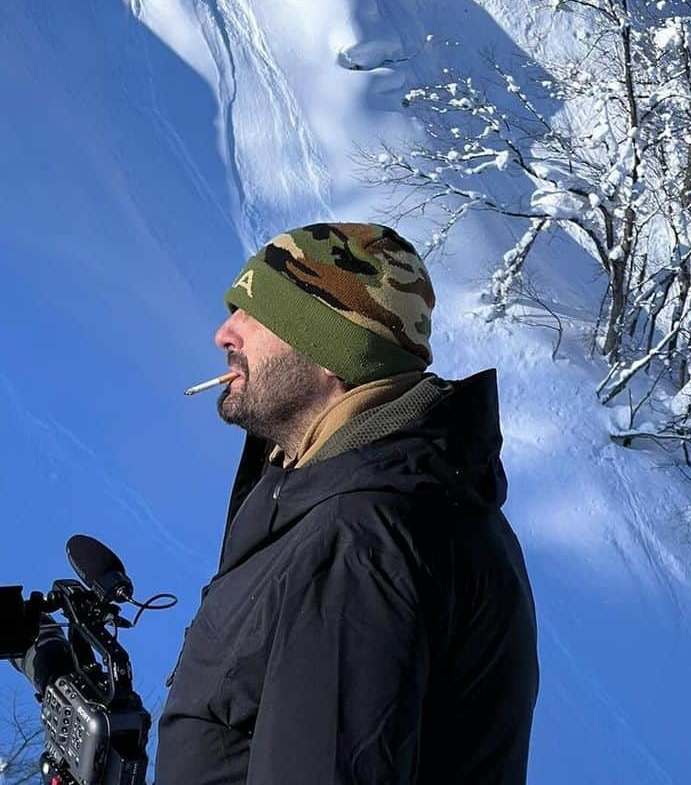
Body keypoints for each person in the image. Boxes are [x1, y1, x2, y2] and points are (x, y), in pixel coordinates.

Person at [154, 222, 539, 784]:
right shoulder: (360, 501)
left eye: (256, 314)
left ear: (332, 351)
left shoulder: (362, 540)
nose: (224, 334)